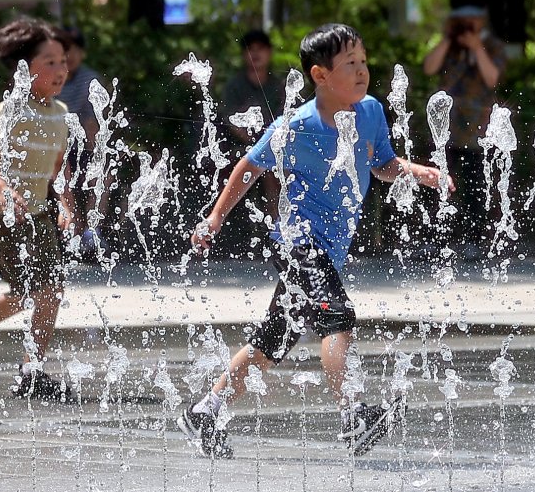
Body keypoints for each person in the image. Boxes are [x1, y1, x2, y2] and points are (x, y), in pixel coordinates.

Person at [177, 23, 455, 458]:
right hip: (298, 242)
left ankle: (205, 410)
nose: (362, 71)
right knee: (337, 314)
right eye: (350, 64)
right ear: (320, 75)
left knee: (270, 346)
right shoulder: (296, 125)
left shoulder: (371, 112)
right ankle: (353, 415)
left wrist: (417, 172)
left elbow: (381, 163)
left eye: (363, 61)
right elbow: (248, 167)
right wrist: (214, 218)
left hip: (330, 248)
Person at [0, 17, 78, 403]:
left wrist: (67, 206)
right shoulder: (10, 110)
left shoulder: (59, 113)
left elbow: (62, 165)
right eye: (49, 62)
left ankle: (28, 368)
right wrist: (4, 190)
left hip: (37, 212)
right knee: (35, 290)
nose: (60, 71)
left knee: (48, 292)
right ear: (25, 69)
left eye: (62, 61)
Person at [423, 0, 506, 262]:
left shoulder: (492, 45)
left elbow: (492, 77)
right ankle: (435, 239)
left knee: (475, 188)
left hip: (478, 129)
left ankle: (473, 240)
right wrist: (448, 38)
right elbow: (429, 68)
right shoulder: (449, 44)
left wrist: (476, 47)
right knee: (436, 182)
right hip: (445, 127)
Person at [215, 29, 286, 254]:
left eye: (260, 49)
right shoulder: (234, 85)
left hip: (271, 147)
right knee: (260, 162)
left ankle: (279, 227)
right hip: (239, 148)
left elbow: (284, 121)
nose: (255, 54)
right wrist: (254, 141)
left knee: (274, 167)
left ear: (269, 52)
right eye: (250, 49)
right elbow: (229, 119)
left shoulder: (278, 86)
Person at [54, 27, 110, 256]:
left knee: (103, 172)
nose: (70, 56)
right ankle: (72, 224)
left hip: (80, 146)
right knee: (58, 172)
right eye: (66, 51)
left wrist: (97, 155)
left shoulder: (90, 79)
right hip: (55, 146)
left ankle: (92, 230)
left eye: (75, 50)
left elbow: (92, 124)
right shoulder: (53, 78)